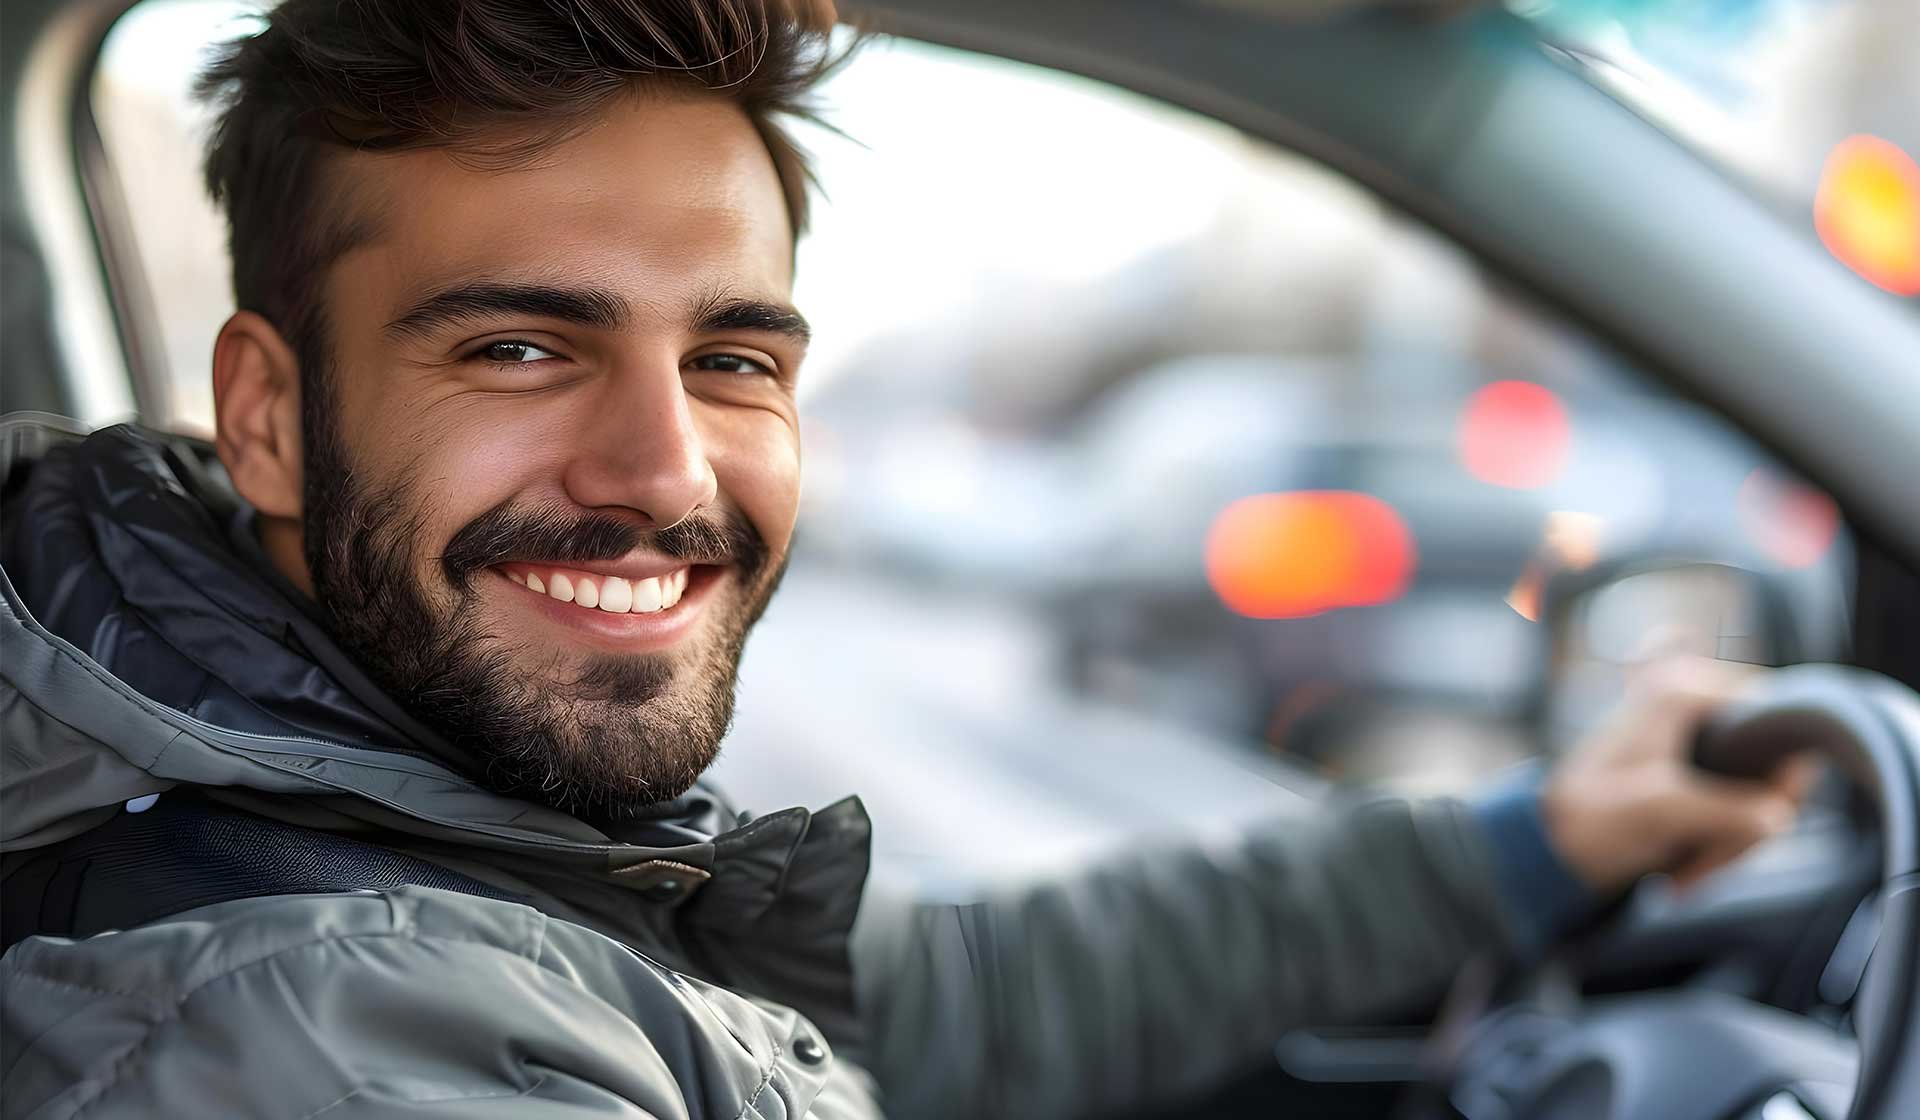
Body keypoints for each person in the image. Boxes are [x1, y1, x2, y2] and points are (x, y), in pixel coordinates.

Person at [0, 2, 1813, 1117]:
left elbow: (963, 1003)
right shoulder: (337, 1045)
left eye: (733, 359)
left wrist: (1538, 841)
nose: (663, 472)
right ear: (265, 416)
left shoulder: (443, 831)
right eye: (520, 348)